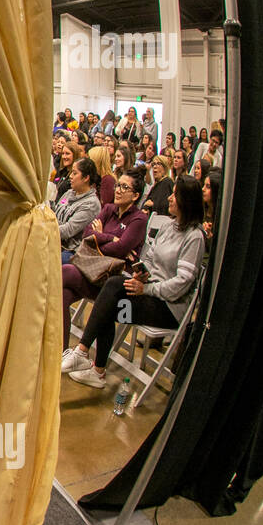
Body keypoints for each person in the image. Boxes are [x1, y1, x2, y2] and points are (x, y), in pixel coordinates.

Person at [63, 175, 206, 388]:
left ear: (187, 200)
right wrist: (142, 273)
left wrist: (146, 288)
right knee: (109, 300)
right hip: (149, 293)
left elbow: (181, 283)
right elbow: (147, 257)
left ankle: (84, 353)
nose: (169, 198)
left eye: (175, 194)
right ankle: (95, 368)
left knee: (110, 293)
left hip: (167, 309)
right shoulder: (169, 227)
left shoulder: (195, 237)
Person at [60, 168, 147, 349]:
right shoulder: (108, 209)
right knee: (63, 295)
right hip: (94, 270)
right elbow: (87, 234)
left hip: (116, 279)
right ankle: (61, 351)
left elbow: (120, 249)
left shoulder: (139, 220)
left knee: (65, 270)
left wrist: (99, 237)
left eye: (124, 187)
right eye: (118, 185)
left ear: (135, 195)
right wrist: (108, 237)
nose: (118, 190)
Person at [52, 158, 101, 264]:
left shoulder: (91, 204)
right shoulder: (69, 193)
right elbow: (54, 214)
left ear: (86, 178)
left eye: (75, 173)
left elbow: (68, 230)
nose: (70, 176)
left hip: (71, 249)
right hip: (55, 239)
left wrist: (46, 229)